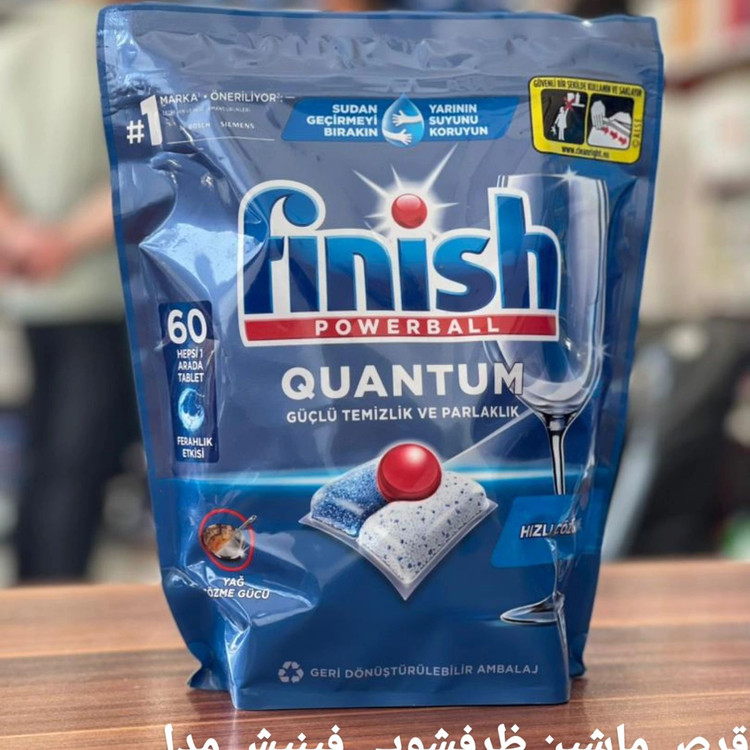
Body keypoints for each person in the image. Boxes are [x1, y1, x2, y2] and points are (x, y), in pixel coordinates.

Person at [0, 0, 138, 581]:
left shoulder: (15, 36)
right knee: (76, 463)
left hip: (35, 280)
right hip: (110, 284)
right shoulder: (134, 34)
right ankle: (52, 601)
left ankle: (34, 604)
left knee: (53, 458)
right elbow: (153, 159)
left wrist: (18, 235)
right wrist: (64, 241)